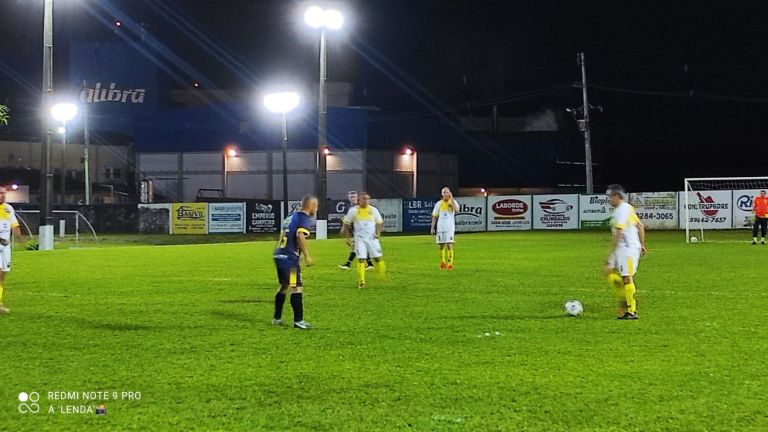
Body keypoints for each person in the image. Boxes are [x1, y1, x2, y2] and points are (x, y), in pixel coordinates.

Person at [272, 195, 317, 330]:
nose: (317, 208)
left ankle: (277, 318)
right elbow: (300, 235)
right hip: (289, 260)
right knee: (295, 286)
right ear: (310, 206)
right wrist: (307, 255)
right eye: (316, 205)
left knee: (284, 285)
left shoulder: (291, 216)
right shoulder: (304, 218)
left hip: (279, 255)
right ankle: (298, 321)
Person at [604, 184, 647, 320]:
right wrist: (641, 244)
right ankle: (626, 298)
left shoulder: (621, 210)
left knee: (627, 277)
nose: (609, 200)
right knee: (615, 275)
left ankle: (631, 310)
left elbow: (618, 232)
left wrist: (611, 258)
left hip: (626, 249)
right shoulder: (628, 208)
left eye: (610, 197)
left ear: (617, 196)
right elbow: (640, 226)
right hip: (628, 248)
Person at [342, 193, 385, 289]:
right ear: (359, 200)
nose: (366, 201)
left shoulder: (373, 210)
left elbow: (379, 222)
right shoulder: (353, 211)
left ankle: (382, 276)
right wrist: (348, 239)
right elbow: (346, 225)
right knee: (361, 259)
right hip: (359, 239)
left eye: (367, 199)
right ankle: (362, 281)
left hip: (372, 239)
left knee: (378, 259)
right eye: (363, 199)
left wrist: (378, 233)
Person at [0, 186, 24, 315]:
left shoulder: (8, 208)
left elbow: (14, 225)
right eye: (0, 193)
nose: (2, 195)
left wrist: (19, 237)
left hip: (5, 247)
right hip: (1, 243)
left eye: (4, 193)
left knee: (3, 275)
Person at [338, 191, 373, 270]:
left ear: (357, 198)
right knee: (358, 247)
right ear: (348, 198)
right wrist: (344, 228)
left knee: (356, 247)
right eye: (351, 197)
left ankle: (348, 264)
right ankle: (370, 264)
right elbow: (345, 218)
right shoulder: (348, 207)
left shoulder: (361, 206)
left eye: (354, 197)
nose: (352, 198)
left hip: (363, 229)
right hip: (355, 230)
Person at [431, 187, 460, 270]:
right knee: (441, 245)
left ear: (450, 193)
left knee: (449, 244)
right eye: (444, 192)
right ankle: (443, 262)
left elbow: (457, 210)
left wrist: (452, 200)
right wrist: (432, 227)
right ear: (442, 194)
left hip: (450, 227)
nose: (445, 194)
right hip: (440, 227)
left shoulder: (453, 202)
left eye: (447, 192)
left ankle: (450, 263)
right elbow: (434, 216)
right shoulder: (439, 204)